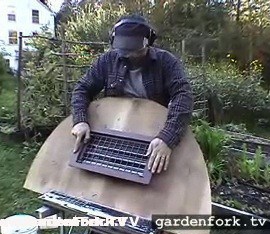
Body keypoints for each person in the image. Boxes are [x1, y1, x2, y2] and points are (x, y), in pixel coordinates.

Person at [71, 14, 194, 174]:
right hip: (115, 130)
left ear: (147, 42)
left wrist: (167, 138)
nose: (128, 55)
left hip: (153, 134)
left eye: (134, 50)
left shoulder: (166, 62)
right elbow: (82, 89)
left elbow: (183, 96)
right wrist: (80, 121)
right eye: (123, 50)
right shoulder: (108, 60)